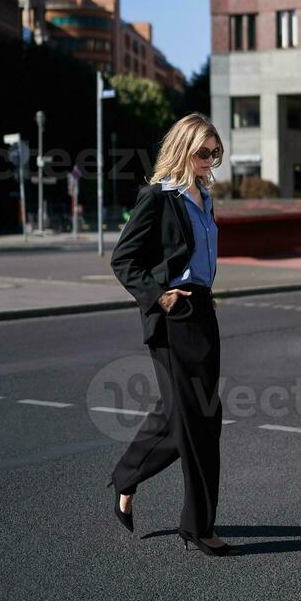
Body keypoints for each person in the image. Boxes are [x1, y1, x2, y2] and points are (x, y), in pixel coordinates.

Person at [107, 112, 241, 558]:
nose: (211, 160)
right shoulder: (159, 198)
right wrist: (162, 298)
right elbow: (124, 259)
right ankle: (199, 527)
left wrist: (203, 293)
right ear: (183, 149)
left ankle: (127, 477)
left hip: (202, 312)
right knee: (200, 421)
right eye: (204, 152)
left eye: (216, 152)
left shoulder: (205, 197)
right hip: (172, 318)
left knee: (181, 416)